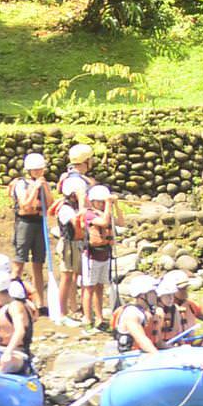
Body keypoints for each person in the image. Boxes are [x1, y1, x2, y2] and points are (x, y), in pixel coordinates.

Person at [55, 144, 98, 323]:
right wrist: (83, 211)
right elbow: (80, 194)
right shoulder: (75, 184)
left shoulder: (72, 177)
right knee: (67, 275)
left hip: (76, 236)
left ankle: (74, 308)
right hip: (71, 238)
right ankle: (63, 313)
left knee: (76, 274)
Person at [8, 151, 52, 304]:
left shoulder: (42, 183)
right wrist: (35, 188)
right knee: (19, 262)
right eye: (36, 170)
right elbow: (25, 205)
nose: (39, 172)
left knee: (38, 264)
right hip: (25, 224)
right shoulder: (22, 184)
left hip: (39, 224)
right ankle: (14, 298)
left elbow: (50, 204)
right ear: (29, 170)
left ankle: (40, 303)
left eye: (41, 169)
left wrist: (44, 187)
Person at [76, 184, 117, 328]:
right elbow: (104, 222)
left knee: (100, 287)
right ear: (93, 201)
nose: (101, 204)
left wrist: (115, 206)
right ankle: (88, 317)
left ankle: (99, 318)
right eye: (99, 201)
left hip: (105, 254)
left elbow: (121, 223)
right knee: (89, 288)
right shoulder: (89, 214)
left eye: (103, 201)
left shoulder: (106, 212)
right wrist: (108, 205)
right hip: (91, 256)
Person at [112, 275, 161, 355]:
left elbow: (159, 343)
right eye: (152, 292)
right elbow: (141, 340)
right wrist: (157, 355)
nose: (156, 295)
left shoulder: (147, 312)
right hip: (130, 359)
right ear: (142, 296)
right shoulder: (132, 314)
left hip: (144, 355)